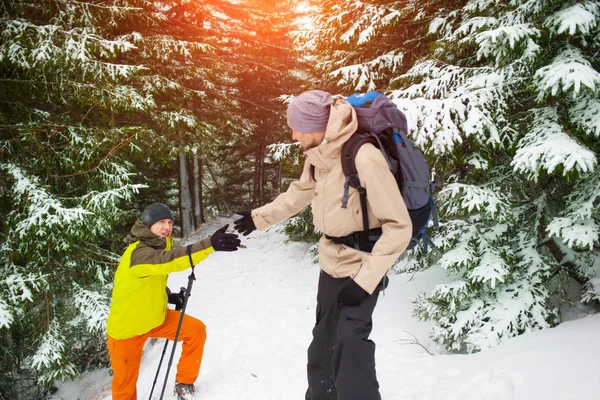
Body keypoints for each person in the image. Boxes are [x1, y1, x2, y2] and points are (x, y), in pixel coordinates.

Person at [234, 90, 412, 400]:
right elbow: (298, 194)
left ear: (317, 126)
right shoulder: (321, 155)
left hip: (362, 264)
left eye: (297, 127)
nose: (293, 134)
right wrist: (257, 218)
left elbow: (399, 227)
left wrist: (365, 281)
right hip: (331, 264)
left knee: (350, 346)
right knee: (322, 344)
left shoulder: (363, 156)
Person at [106, 203, 240, 400]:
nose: (167, 227)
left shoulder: (160, 242)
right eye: (161, 222)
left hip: (154, 317)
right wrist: (208, 244)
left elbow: (151, 277)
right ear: (147, 224)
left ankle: (184, 383)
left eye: (169, 222)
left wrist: (168, 295)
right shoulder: (138, 253)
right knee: (125, 387)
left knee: (195, 331)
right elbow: (169, 260)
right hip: (127, 330)